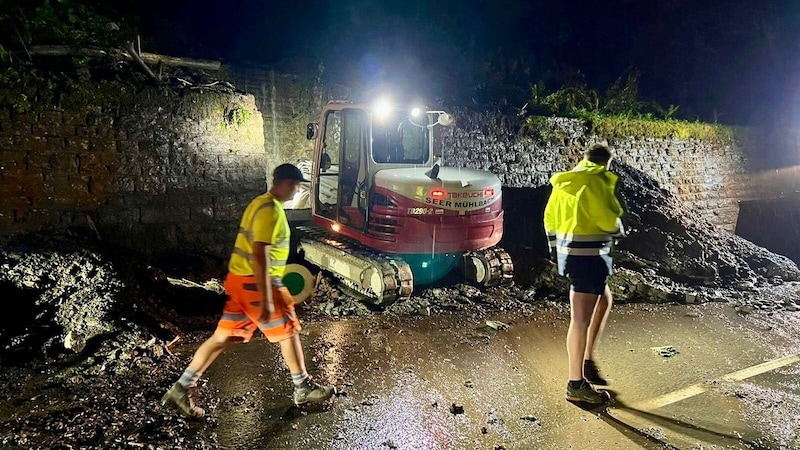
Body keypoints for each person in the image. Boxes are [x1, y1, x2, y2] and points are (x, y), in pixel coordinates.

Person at [161, 163, 335, 418]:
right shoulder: (271, 211)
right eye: (295, 185)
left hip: (241, 282)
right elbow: (259, 252)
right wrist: (266, 296)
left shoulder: (260, 203)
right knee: (288, 330)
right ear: (283, 183)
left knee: (224, 337)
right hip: (257, 283)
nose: (297, 190)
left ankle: (182, 386)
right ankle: (302, 386)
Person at [543, 143, 626, 405]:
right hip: (591, 257)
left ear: (584, 159)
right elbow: (608, 219)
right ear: (605, 163)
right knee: (579, 320)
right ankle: (576, 384)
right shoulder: (599, 181)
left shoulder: (565, 182)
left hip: (573, 255)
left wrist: (558, 253)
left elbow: (550, 219)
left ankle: (587, 359)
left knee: (604, 299)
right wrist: (618, 231)